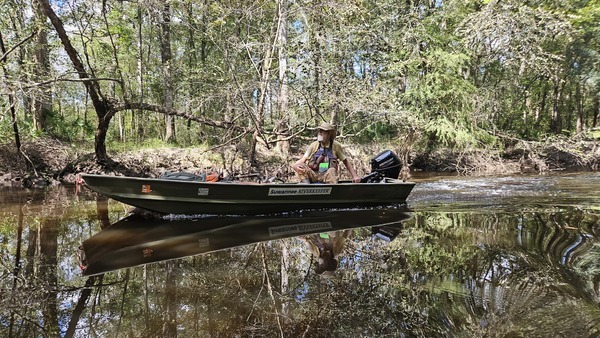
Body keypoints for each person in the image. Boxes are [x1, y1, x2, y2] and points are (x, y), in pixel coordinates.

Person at [292, 122, 360, 184]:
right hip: (314, 174)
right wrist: (295, 166)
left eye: (322, 131)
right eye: (319, 131)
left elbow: (345, 161)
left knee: (332, 170)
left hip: (326, 175)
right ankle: (306, 187)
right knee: (301, 166)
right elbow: (303, 160)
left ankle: (332, 191)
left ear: (328, 133)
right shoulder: (314, 145)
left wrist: (354, 176)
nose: (319, 133)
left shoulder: (336, 146)